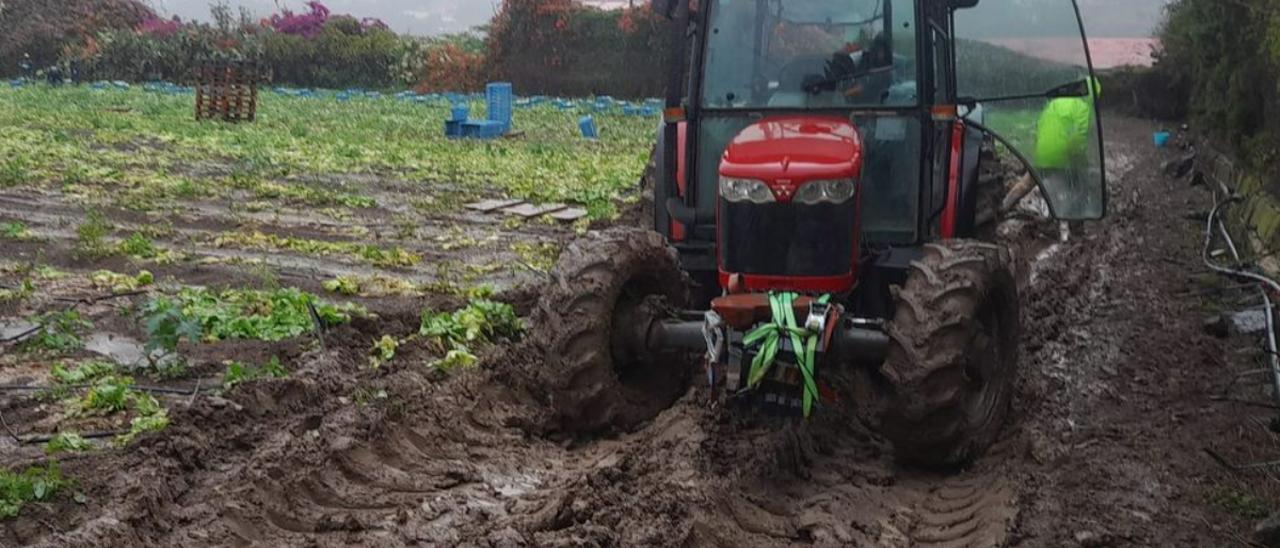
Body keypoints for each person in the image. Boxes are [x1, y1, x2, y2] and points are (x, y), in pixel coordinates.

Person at [1001, 76, 1103, 239]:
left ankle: (1002, 208)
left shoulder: (1055, 103)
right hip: (1061, 157)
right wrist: (1081, 163)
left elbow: (1040, 126)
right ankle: (1072, 229)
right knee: (1078, 187)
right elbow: (1077, 140)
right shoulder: (1082, 107)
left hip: (1041, 153)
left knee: (1026, 183)